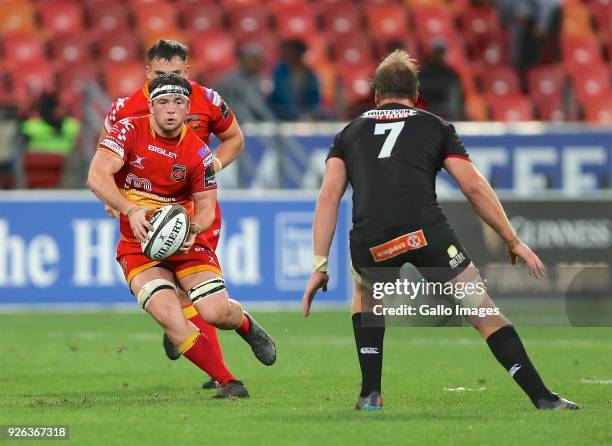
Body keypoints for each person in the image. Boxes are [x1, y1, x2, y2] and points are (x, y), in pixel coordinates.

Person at [302, 50, 578, 411]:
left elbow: (328, 198)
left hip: (373, 239)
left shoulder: (348, 133)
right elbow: (474, 187)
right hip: (426, 232)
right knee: (482, 311)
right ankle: (542, 397)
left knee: (368, 296)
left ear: (375, 96)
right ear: (417, 96)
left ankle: (370, 393)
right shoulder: (435, 125)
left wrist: (319, 265)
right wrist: (512, 240)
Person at [87, 73, 276, 399]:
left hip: (184, 241)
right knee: (168, 315)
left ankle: (245, 324)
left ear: (188, 108)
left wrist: (194, 229)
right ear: (151, 107)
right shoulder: (128, 130)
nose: (171, 109)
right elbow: (96, 176)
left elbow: (205, 207)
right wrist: (129, 209)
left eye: (178, 102)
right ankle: (230, 382)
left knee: (215, 313)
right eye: (163, 102)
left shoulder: (198, 153)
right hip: (137, 246)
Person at [99, 40, 244, 390]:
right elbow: (105, 149)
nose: (170, 81)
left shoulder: (207, 100)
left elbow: (235, 138)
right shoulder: (125, 108)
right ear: (148, 74)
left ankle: (204, 352)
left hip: (192, 209)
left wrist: (210, 168)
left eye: (176, 74)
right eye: (161, 75)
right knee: (174, 297)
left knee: (195, 291)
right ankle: (216, 370)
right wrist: (116, 196)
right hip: (146, 212)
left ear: (187, 72)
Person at [217, 44, 277, 123]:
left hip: (259, 124)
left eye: (256, 59)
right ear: (242, 60)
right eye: (250, 59)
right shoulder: (231, 80)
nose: (253, 63)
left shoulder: (263, 79)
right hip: (235, 123)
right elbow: (237, 107)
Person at [268, 39, 321, 121]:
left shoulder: (310, 74)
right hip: (283, 113)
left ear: (298, 54)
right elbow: (281, 97)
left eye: (289, 52)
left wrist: (311, 113)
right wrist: (298, 115)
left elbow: (314, 98)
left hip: (305, 113)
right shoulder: (279, 72)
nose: (285, 55)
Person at [418, 38, 464, 121]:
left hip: (446, 114)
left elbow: (458, 96)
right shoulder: (423, 72)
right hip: (426, 112)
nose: (438, 54)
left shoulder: (450, 74)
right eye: (436, 51)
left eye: (440, 51)